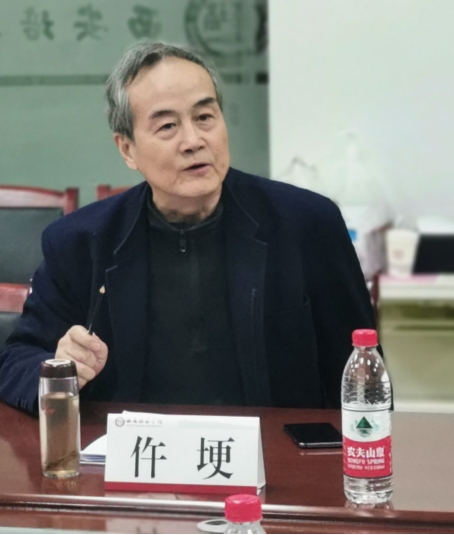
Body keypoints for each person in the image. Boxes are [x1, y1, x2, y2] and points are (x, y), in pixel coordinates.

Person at [0, 41, 375, 414]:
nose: (194, 141)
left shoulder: (306, 224)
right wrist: (58, 369)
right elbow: (17, 360)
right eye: (167, 126)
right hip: (133, 448)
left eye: (205, 117)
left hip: (272, 448)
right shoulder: (80, 243)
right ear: (127, 149)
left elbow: (361, 371)